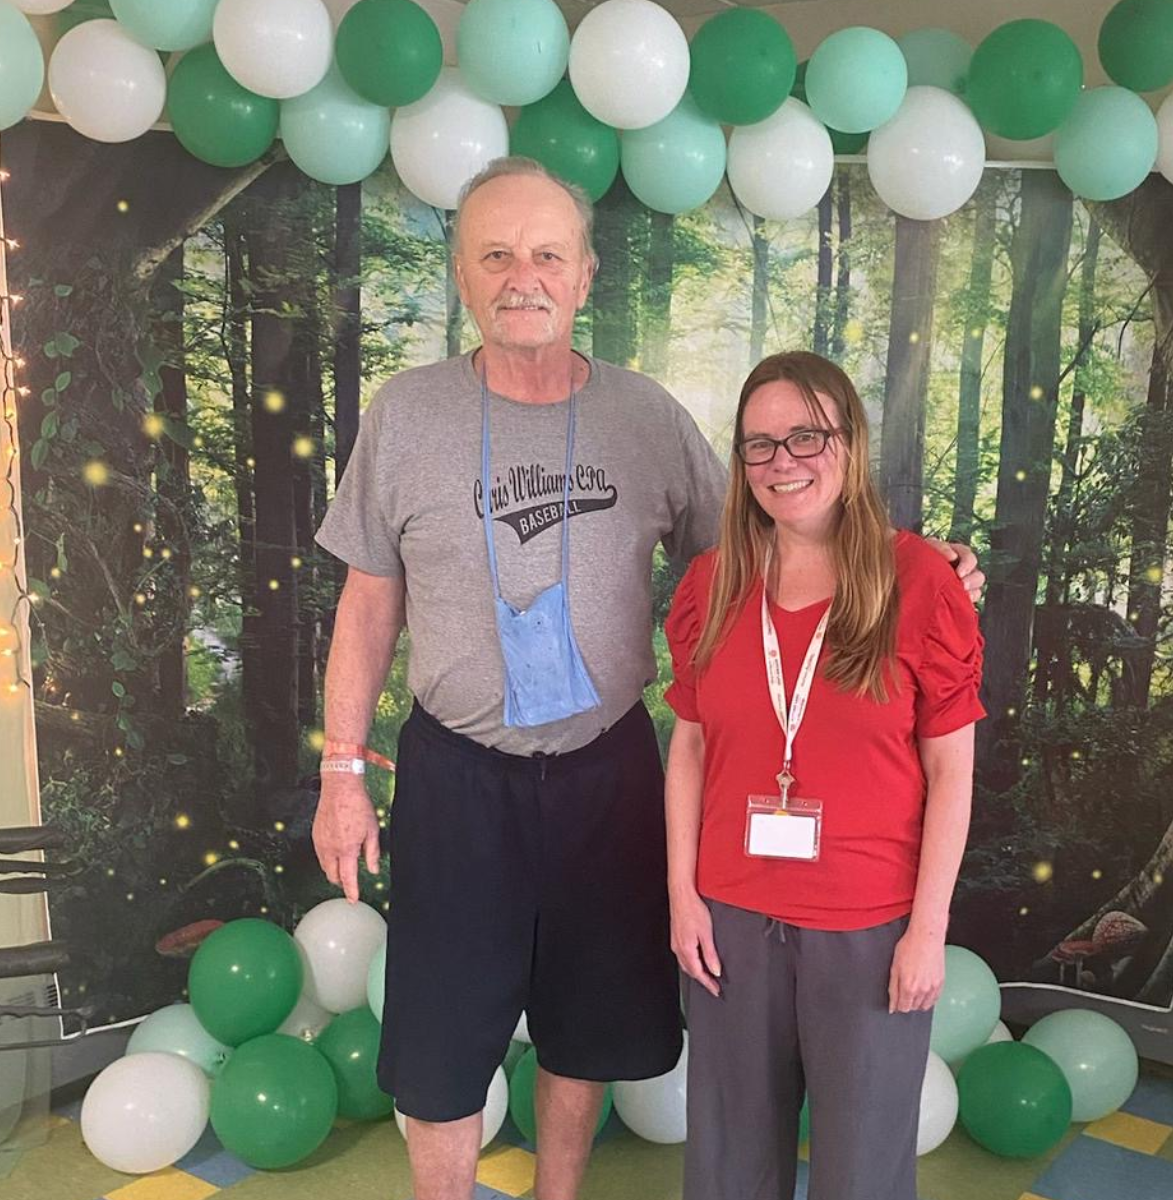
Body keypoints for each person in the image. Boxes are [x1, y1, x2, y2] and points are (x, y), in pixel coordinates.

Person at [310, 158, 983, 1200]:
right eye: (495, 255)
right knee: (440, 1031)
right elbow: (366, 605)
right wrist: (342, 773)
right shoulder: (405, 416)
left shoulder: (646, 417)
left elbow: (779, 524)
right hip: (458, 771)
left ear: (585, 275)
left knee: (586, 1015)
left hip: (605, 771)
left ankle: (558, 1193)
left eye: (546, 254)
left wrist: (916, 568)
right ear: (461, 275)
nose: (521, 275)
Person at [664, 351, 984, 1200]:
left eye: (807, 435)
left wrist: (927, 929)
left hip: (869, 927)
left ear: (850, 442)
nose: (784, 461)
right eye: (760, 444)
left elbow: (953, 769)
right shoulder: (711, 587)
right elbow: (689, 748)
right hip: (730, 918)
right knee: (730, 1165)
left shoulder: (920, 583)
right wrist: (682, 896)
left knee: (863, 1170)